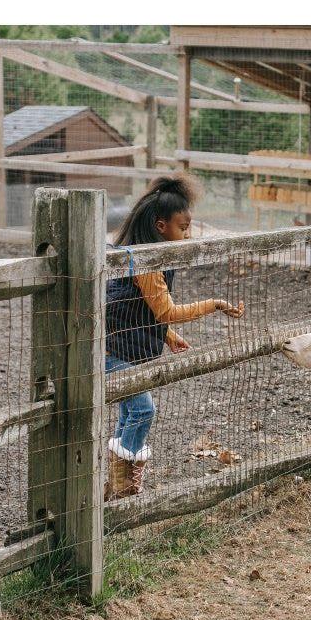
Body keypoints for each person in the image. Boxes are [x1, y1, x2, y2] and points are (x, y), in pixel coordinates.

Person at [104, 174, 244, 501]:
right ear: (161, 226)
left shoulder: (149, 256)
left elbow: (142, 310)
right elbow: (164, 309)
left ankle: (116, 488)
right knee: (142, 410)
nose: (188, 234)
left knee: (130, 412)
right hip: (116, 350)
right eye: (183, 227)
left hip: (127, 345)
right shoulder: (148, 262)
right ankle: (125, 487)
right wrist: (214, 304)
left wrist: (166, 335)